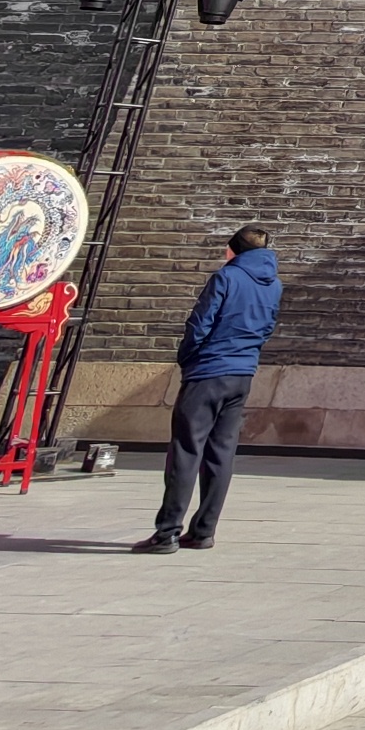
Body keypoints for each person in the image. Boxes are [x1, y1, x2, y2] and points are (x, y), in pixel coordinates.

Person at [135, 226, 279, 555]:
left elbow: (201, 323)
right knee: (221, 453)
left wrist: (187, 358)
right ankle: (204, 531)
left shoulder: (226, 278)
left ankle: (167, 532)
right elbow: (267, 326)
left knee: (186, 451)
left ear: (234, 249)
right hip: (242, 374)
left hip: (208, 371)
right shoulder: (273, 284)